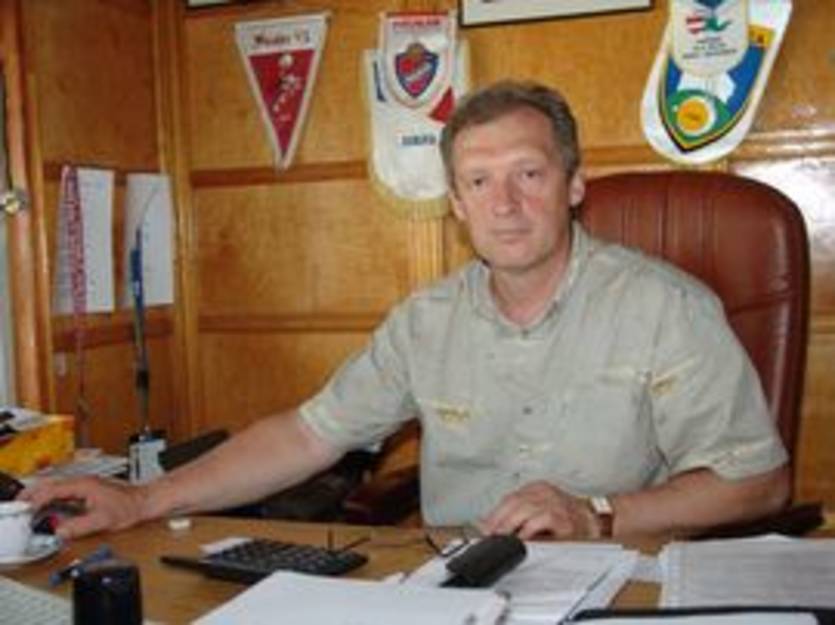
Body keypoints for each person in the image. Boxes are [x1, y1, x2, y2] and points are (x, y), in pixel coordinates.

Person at [23, 80, 789, 540]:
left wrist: (598, 514)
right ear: (456, 203)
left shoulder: (664, 308)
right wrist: (141, 498)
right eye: (479, 181)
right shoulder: (426, 322)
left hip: (614, 588)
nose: (505, 203)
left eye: (528, 173)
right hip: (456, 591)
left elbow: (758, 483)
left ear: (573, 185)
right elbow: (306, 434)